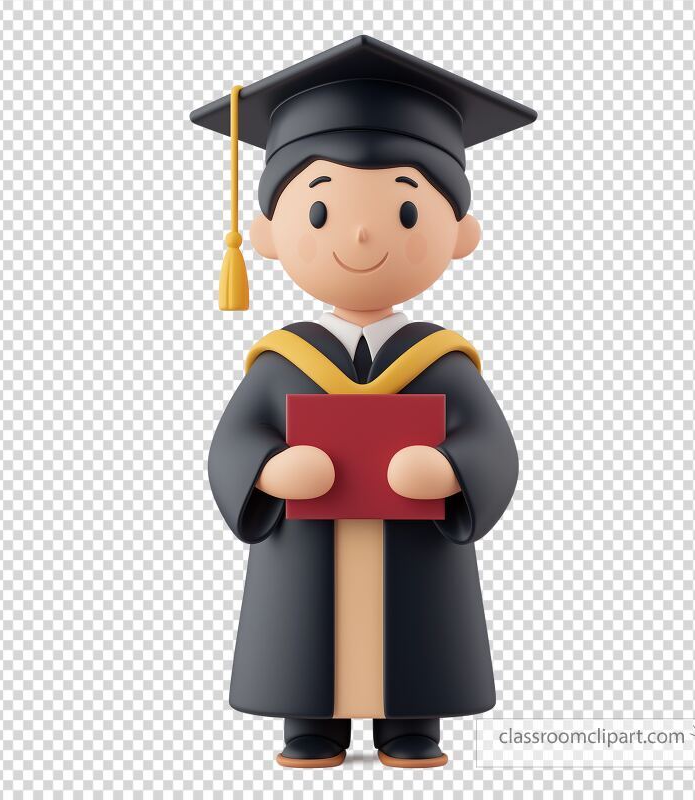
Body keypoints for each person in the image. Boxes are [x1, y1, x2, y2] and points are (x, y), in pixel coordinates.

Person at [191, 35, 536, 768]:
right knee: (304, 634)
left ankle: (411, 723)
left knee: (415, 628)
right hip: (306, 546)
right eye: (318, 214)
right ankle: (310, 723)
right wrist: (266, 471)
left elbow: (493, 447)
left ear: (462, 235)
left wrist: (453, 471)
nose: (359, 234)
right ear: (268, 238)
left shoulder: (443, 360)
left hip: (414, 549)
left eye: (408, 214)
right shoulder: (280, 361)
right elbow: (231, 444)